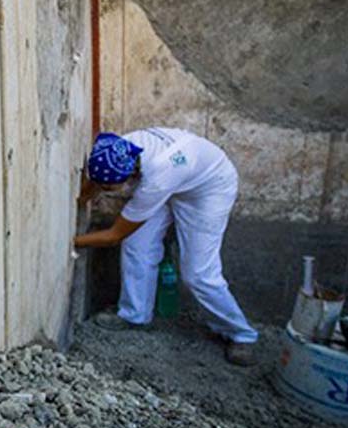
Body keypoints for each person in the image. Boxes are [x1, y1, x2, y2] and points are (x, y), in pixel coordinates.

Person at [73, 128, 258, 366]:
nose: (106, 192)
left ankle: (241, 334)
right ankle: (135, 315)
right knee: (137, 244)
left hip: (208, 188)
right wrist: (80, 199)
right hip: (180, 176)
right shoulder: (116, 151)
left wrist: (71, 241)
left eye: (110, 188)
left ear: (130, 174)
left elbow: (114, 235)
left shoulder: (156, 180)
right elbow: (98, 179)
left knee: (198, 273)